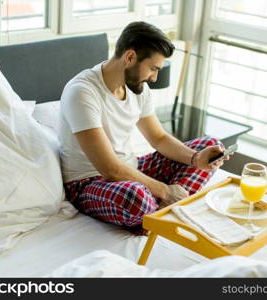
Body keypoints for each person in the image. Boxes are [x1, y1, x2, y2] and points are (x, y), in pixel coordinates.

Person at [58, 21, 229, 234]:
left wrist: (196, 158)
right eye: (153, 68)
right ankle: (161, 207)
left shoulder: (138, 89)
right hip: (88, 183)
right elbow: (110, 169)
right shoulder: (82, 93)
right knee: (135, 197)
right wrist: (166, 191)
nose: (154, 77)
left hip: (131, 168)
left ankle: (157, 212)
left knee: (211, 145)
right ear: (130, 57)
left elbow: (158, 138)